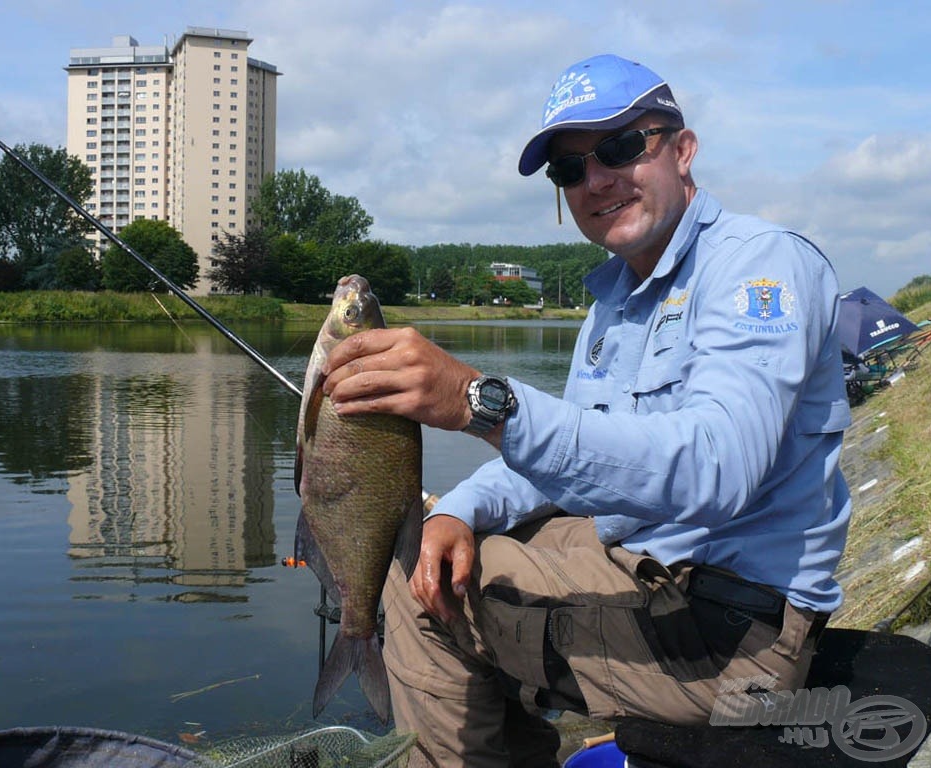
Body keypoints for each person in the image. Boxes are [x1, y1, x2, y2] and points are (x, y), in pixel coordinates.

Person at [322, 53, 851, 767]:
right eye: (570, 170)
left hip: (732, 633)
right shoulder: (614, 304)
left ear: (684, 150)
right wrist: (458, 509)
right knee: (426, 545)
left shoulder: (759, 268)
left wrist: (478, 401)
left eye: (622, 147)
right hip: (649, 568)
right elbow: (562, 469)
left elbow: (717, 470)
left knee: (417, 595)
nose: (596, 179)